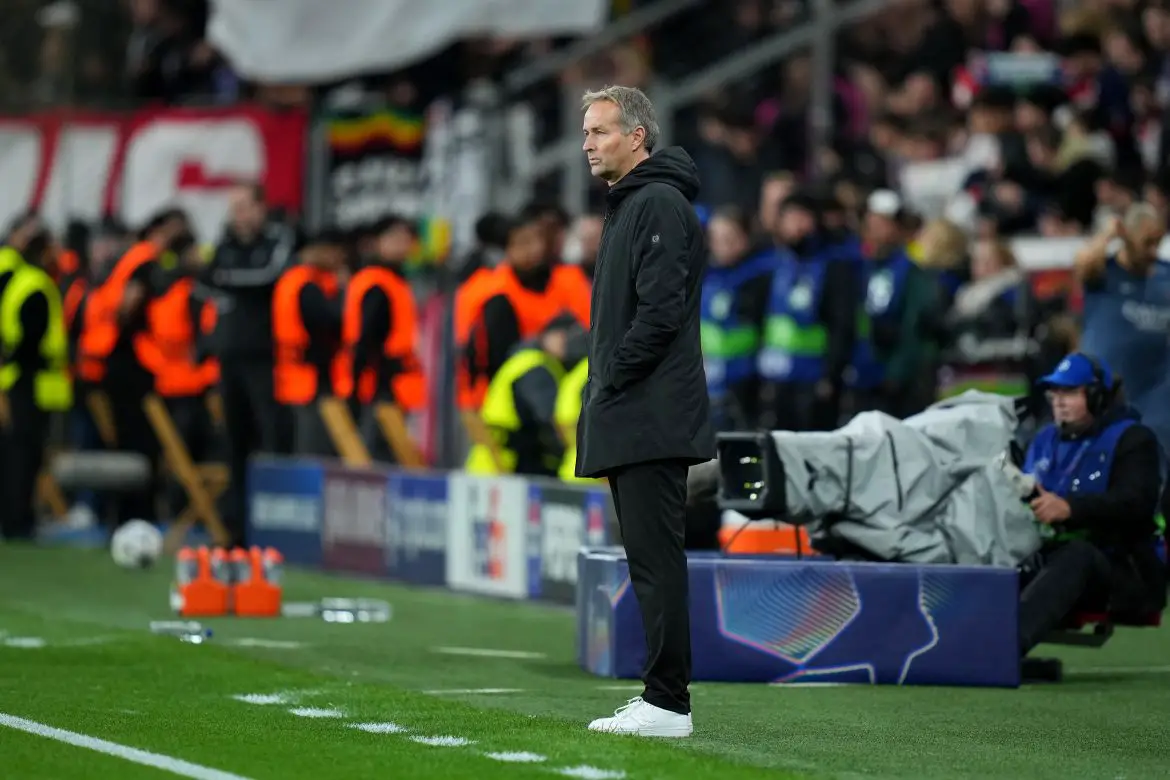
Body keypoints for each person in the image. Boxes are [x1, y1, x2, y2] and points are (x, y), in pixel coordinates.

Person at [577, 85, 713, 738]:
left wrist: (611, 377)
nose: (587, 144)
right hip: (636, 410)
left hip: (649, 412)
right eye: (585, 132)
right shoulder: (635, 202)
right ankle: (661, 697)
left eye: (600, 131)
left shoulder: (656, 202)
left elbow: (659, 314)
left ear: (636, 137)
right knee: (649, 562)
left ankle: (667, 702)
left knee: (657, 564)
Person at [1018, 353, 1167, 655]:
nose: (1059, 401)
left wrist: (1070, 509)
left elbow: (1135, 504)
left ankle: (1001, 651)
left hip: (1121, 568)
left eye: (1070, 392)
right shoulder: (1043, 440)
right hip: (1049, 556)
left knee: (1078, 555)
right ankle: (955, 644)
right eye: (1055, 393)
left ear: (1098, 396)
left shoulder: (1133, 439)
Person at [203, 182, 297, 545]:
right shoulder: (224, 245)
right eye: (233, 208)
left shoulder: (278, 240)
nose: (237, 216)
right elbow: (205, 283)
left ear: (260, 208)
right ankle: (236, 531)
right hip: (230, 358)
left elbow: (267, 278)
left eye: (243, 207)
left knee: (270, 439)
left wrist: (227, 280)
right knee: (234, 444)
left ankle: (275, 529)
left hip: (265, 358)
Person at [1074, 205, 1170, 463]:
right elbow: (1082, 263)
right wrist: (1107, 234)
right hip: (1104, 393)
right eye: (1147, 243)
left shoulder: (1166, 275)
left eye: (1158, 242)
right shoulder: (1103, 273)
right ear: (1126, 235)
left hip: (1154, 394)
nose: (1154, 251)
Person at [0, 227, 72, 540]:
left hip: (15, 378)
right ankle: (18, 522)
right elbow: (32, 338)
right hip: (29, 382)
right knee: (23, 455)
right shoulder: (37, 285)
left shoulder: (17, 281)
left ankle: (15, 519)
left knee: (16, 453)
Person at [335, 216, 426, 461]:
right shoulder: (377, 283)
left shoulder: (393, 280)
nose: (402, 246)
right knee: (379, 455)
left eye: (406, 240)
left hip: (392, 385)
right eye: (394, 239)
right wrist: (360, 385)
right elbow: (367, 339)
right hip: (381, 386)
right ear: (376, 242)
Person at [465, 316, 585, 477]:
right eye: (562, 335)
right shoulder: (536, 368)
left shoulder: (527, 361)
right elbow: (550, 418)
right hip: (503, 467)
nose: (567, 342)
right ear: (546, 336)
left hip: (492, 464)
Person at [272, 230, 347, 457]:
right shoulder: (308, 285)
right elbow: (329, 323)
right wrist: (342, 293)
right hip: (311, 378)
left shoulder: (290, 280)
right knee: (313, 449)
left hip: (291, 374)